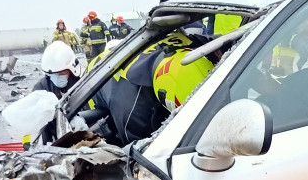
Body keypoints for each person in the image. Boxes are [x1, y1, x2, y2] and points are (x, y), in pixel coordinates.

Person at [86, 33, 214, 144]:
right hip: (92, 87)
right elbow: (139, 155)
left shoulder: (195, 45)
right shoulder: (132, 108)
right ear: (163, 94)